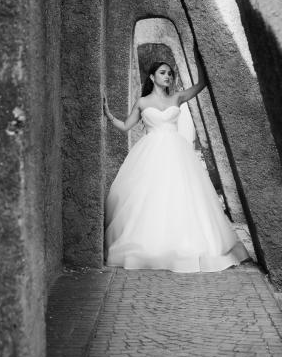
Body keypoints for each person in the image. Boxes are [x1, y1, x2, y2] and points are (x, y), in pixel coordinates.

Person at [102, 47, 248, 272]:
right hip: (150, 154)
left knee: (182, 194)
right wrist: (109, 114)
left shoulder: (177, 97)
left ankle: (187, 242)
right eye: (162, 72)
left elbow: (201, 84)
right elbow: (126, 126)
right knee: (151, 196)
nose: (167, 76)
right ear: (152, 77)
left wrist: (198, 59)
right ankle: (150, 243)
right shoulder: (142, 102)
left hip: (178, 153)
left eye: (169, 73)